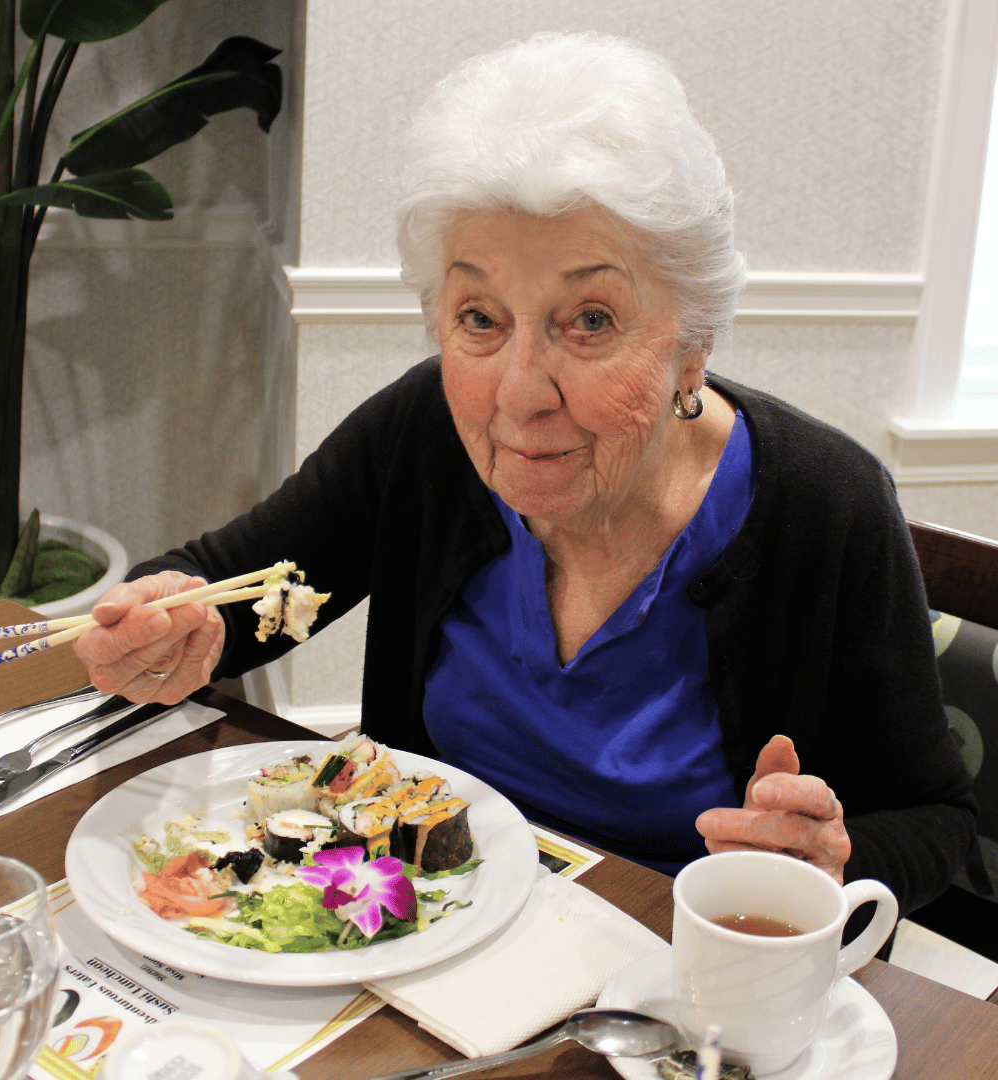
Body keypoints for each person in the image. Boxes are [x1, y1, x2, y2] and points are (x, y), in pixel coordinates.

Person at [74, 33, 975, 917]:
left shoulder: (825, 504)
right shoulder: (421, 432)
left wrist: (828, 853)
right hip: (422, 937)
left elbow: (937, 823)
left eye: (589, 319)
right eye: (480, 316)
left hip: (665, 970)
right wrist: (162, 632)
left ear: (693, 341)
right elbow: (234, 589)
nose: (519, 394)